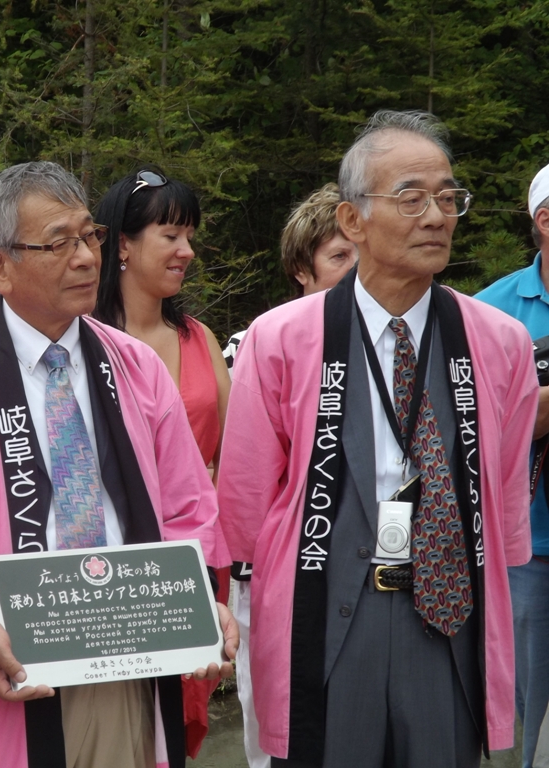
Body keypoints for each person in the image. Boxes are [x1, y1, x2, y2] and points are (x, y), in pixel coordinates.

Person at [0, 161, 237, 768]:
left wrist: (198, 596)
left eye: (89, 236)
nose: (84, 258)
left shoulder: (135, 366)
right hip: (9, 664)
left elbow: (188, 506)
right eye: (58, 242)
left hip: (132, 650)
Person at [218, 110, 537, 767]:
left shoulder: (499, 343)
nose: (437, 215)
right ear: (352, 221)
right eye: (412, 197)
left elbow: (503, 503)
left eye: (449, 197)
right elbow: (245, 507)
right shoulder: (279, 340)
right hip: (326, 604)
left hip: (448, 614)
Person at [92, 169, 231, 758]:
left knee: (177, 726)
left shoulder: (200, 338)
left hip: (194, 553)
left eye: (190, 236)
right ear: (122, 244)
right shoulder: (82, 343)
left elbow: (232, 454)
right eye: (171, 235)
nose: (187, 251)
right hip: (113, 568)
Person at [222, 182, 358, 768]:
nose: (356, 270)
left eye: (362, 253)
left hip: (368, 568)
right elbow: (248, 478)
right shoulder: (255, 343)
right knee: (276, 728)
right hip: (277, 570)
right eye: (339, 257)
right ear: (302, 268)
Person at [474, 162, 549, 768]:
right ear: (544, 220)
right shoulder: (490, 314)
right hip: (532, 552)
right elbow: (468, 434)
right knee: (529, 719)